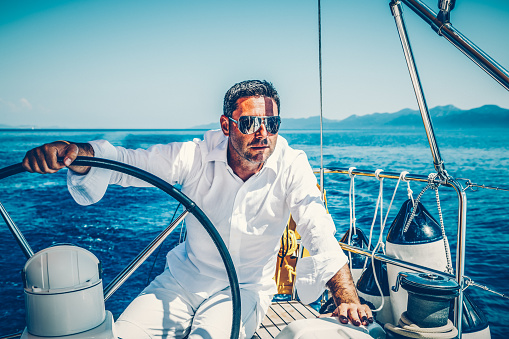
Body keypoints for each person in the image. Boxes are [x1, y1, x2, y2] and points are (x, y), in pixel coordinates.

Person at [23, 80, 372, 338]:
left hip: (244, 288)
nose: (262, 134)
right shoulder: (195, 154)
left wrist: (346, 297)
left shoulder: (292, 165)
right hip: (181, 281)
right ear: (226, 126)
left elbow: (317, 228)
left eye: (272, 124)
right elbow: (133, 163)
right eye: (250, 123)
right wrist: (78, 153)